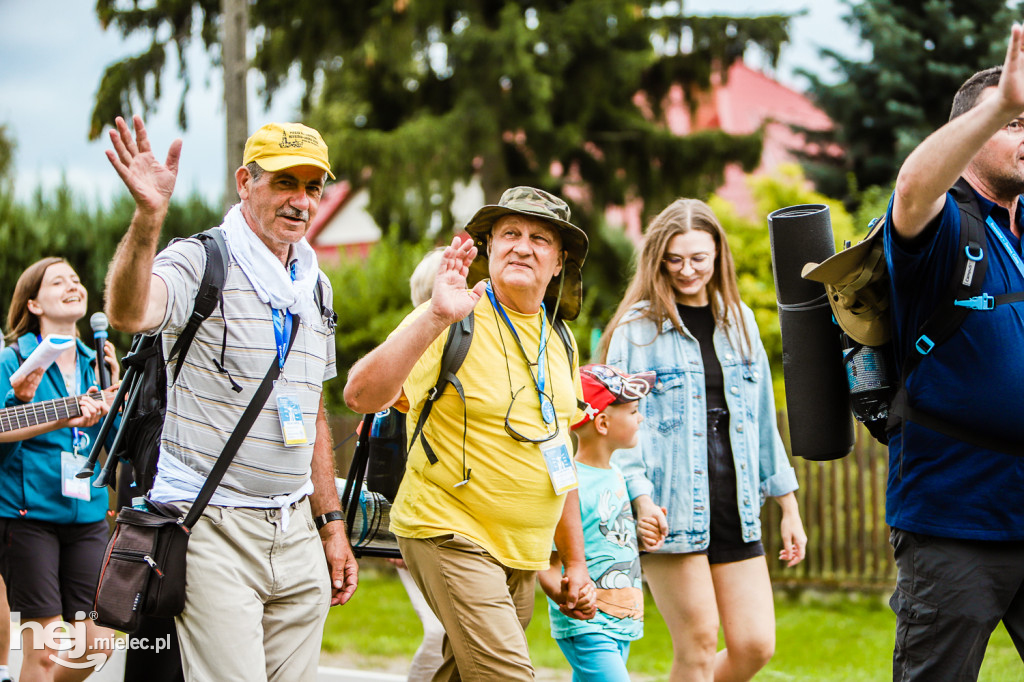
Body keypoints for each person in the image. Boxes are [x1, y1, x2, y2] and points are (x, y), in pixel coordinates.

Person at [103, 115, 358, 681]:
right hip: (211, 526)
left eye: (312, 187)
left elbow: (311, 406)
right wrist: (148, 218)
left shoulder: (315, 285)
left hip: (294, 529)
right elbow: (128, 312)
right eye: (284, 182)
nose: (301, 201)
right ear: (246, 182)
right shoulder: (200, 259)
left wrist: (331, 525)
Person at [345, 186, 596, 681]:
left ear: (560, 261)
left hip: (521, 555)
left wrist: (575, 564)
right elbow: (361, 395)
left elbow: (561, 459)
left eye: (539, 238)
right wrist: (435, 316)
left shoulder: (561, 340)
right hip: (449, 531)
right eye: (509, 234)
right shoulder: (453, 316)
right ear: (489, 248)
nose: (522, 246)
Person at [598, 199, 807, 682]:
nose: (687, 270)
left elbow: (760, 423)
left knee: (755, 645)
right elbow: (622, 428)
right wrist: (641, 502)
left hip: (736, 506)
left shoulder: (740, 322)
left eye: (699, 258)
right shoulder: (638, 330)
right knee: (695, 648)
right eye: (675, 259)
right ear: (658, 259)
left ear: (718, 257)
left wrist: (789, 507)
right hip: (669, 511)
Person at [879, 25, 1024, 681]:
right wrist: (998, 101)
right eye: (1015, 123)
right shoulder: (943, 229)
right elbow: (913, 188)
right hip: (953, 523)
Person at [0, 257, 119, 681]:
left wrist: (116, 399)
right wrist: (26, 402)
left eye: (75, 279)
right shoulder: (13, 360)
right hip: (28, 517)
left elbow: (116, 440)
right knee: (46, 651)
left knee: (98, 644)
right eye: (57, 282)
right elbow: (0, 425)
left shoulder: (98, 360)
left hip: (87, 515)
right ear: (33, 303)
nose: (72, 285)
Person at [538, 364, 665, 682]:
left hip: (621, 624)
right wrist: (568, 599)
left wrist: (642, 533)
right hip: (588, 627)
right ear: (603, 422)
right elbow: (546, 563)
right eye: (634, 411)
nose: (641, 418)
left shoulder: (617, 475)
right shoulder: (571, 484)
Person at [384, 246, 446, 681]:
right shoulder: (406, 356)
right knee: (440, 631)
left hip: (452, 523)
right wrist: (395, 532)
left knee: (450, 634)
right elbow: (388, 450)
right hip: (415, 525)